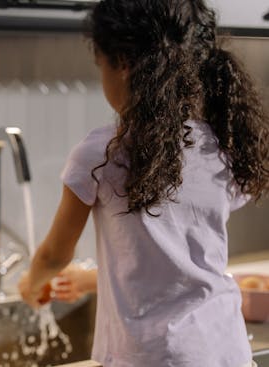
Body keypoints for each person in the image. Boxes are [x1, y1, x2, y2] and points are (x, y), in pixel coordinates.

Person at [19, 0, 269, 366]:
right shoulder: (219, 146)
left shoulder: (102, 153)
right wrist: (90, 281)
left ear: (121, 63)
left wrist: (30, 285)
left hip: (154, 356)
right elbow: (173, 261)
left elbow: (55, 254)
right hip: (226, 347)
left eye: (100, 65)